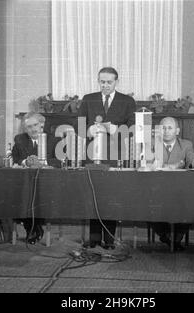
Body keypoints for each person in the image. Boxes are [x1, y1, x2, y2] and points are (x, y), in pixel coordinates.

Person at [78, 67, 136, 249]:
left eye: (109, 82)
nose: (105, 85)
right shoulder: (88, 99)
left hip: (114, 155)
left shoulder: (127, 101)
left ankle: (109, 239)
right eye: (102, 81)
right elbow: (79, 125)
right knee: (93, 194)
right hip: (92, 155)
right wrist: (88, 130)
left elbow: (133, 127)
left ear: (116, 82)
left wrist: (116, 129)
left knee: (110, 197)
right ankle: (94, 238)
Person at [151, 117, 194, 251]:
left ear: (177, 131)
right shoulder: (152, 143)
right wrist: (172, 165)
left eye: (170, 128)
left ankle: (175, 238)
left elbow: (191, 157)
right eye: (163, 128)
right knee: (147, 204)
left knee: (191, 204)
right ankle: (166, 237)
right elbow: (148, 163)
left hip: (179, 190)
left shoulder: (186, 144)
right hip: (157, 189)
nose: (166, 131)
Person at [12, 112, 48, 244]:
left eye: (35, 125)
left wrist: (43, 163)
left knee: (38, 196)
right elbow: (15, 158)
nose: (33, 129)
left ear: (42, 125)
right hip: (26, 182)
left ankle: (34, 228)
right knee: (25, 195)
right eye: (29, 127)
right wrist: (25, 162)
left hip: (46, 182)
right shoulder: (19, 139)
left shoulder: (53, 139)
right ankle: (33, 229)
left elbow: (59, 159)